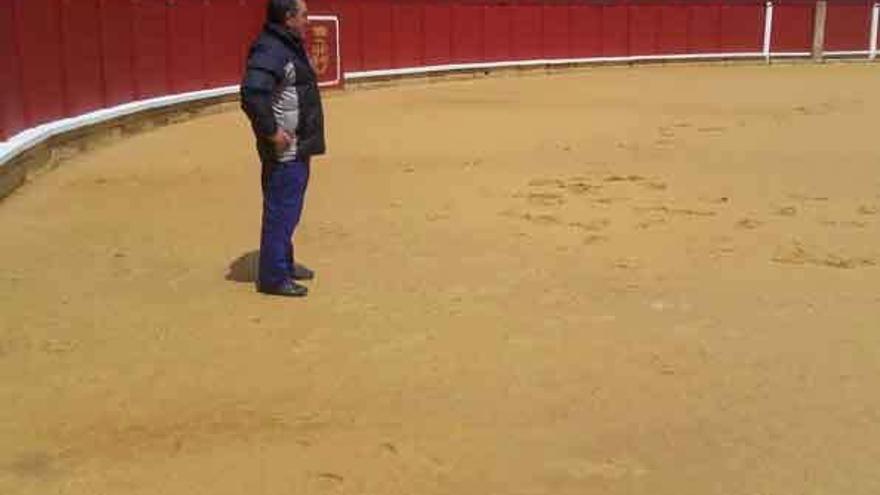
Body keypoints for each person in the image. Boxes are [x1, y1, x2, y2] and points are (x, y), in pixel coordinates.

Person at [240, 0, 325, 297]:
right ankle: (274, 276)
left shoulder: (286, 45)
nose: (308, 20)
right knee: (282, 209)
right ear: (288, 18)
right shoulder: (272, 49)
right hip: (285, 148)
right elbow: (252, 93)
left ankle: (283, 264)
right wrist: (271, 131)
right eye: (303, 14)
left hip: (297, 144)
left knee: (289, 208)